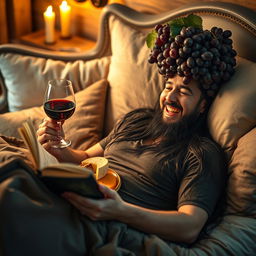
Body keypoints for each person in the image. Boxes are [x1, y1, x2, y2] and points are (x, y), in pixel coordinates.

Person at [0, 21, 236, 255]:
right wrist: (58, 148)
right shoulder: (137, 119)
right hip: (75, 199)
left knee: (9, 202)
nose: (170, 97)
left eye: (184, 92)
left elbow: (189, 227)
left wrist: (118, 210)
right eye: (168, 86)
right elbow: (85, 159)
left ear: (203, 105)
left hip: (108, 226)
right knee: (9, 174)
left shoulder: (202, 153)